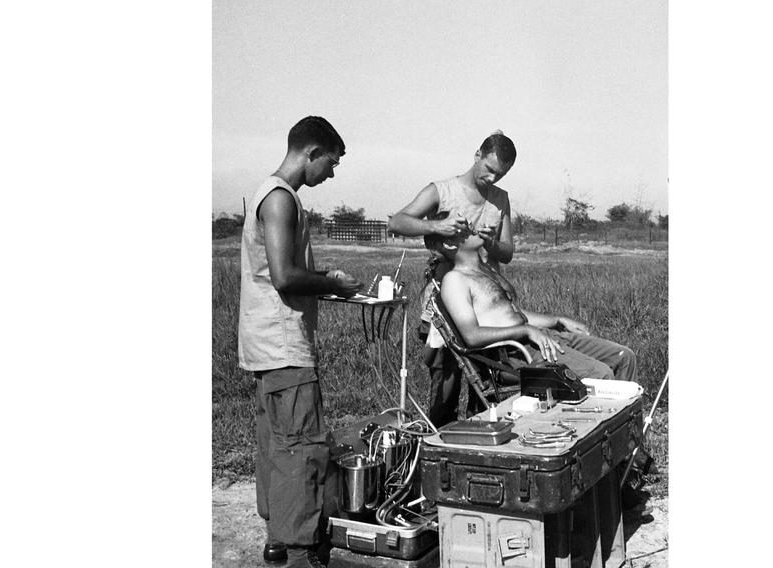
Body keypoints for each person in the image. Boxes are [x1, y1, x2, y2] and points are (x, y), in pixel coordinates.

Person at [238, 116, 362, 567]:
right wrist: (332, 282)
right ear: (311, 153)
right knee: (302, 450)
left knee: (277, 445)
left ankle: (278, 541)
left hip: (267, 347)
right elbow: (284, 276)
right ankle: (297, 549)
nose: (329, 174)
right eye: (330, 163)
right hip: (283, 346)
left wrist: (329, 283)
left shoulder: (269, 194)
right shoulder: (280, 199)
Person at [387, 132, 517, 426]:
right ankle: (438, 438)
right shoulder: (441, 191)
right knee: (446, 378)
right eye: (490, 169)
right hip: (448, 299)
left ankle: (479, 436)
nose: (492, 179)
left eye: (501, 174)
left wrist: (491, 244)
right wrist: (439, 225)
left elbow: (507, 252)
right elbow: (397, 222)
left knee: (488, 381)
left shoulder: (500, 201)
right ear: (477, 156)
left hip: (487, 303)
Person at [428, 230, 637, 384]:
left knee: (625, 357)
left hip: (542, 338)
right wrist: (527, 331)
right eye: (463, 227)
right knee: (602, 375)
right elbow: (472, 336)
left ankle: (629, 434)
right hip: (518, 353)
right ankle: (605, 438)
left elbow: (514, 315)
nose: (471, 226)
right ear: (449, 244)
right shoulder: (455, 280)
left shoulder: (484, 272)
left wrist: (558, 320)